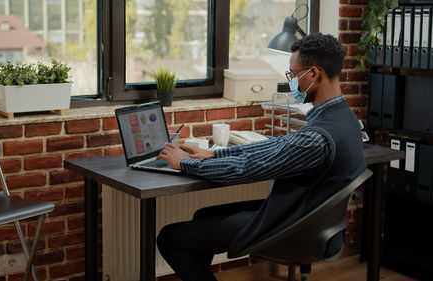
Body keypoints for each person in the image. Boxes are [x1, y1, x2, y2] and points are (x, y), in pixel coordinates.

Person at [155, 33, 367, 281]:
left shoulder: (316, 138)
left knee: (170, 238)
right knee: (203, 216)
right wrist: (215, 152)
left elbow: (244, 169)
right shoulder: (345, 119)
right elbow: (277, 146)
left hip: (292, 227)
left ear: (314, 74)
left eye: (293, 74)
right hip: (308, 218)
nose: (291, 81)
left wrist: (185, 163)